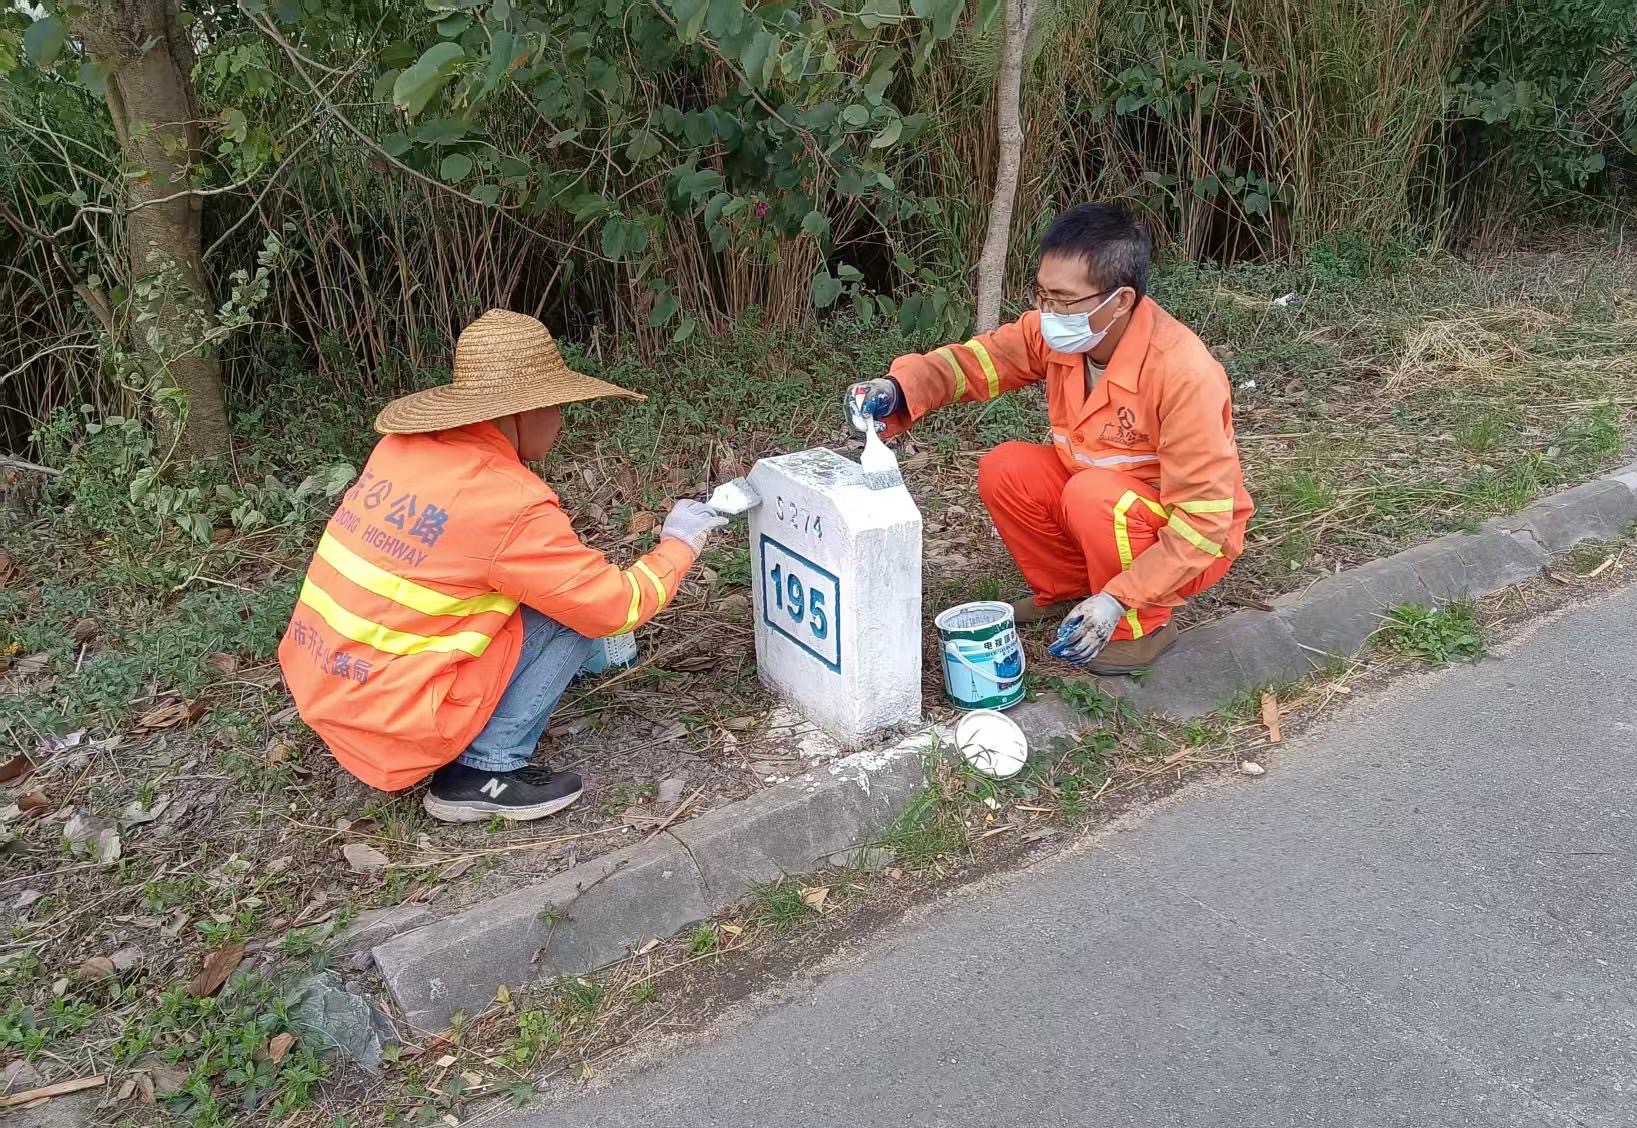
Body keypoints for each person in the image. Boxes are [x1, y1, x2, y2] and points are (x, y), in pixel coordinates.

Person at [278, 310, 726, 823]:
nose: (560, 422)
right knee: (573, 617)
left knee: (544, 597)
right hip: (399, 721)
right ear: (521, 412)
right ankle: (483, 770)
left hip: (329, 685)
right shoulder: (506, 500)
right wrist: (679, 544)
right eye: (555, 406)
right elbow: (613, 606)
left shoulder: (399, 451)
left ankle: (561, 674)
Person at [853, 203, 1253, 674]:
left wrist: (1121, 598)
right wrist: (899, 388)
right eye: (1042, 295)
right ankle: (1070, 591)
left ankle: (1140, 626)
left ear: (1120, 301)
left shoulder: (1183, 373)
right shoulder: (1059, 333)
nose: (1048, 313)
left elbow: (1203, 523)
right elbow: (976, 362)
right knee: (1006, 468)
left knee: (1092, 495)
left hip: (1186, 543)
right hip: (1103, 505)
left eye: (1064, 300)